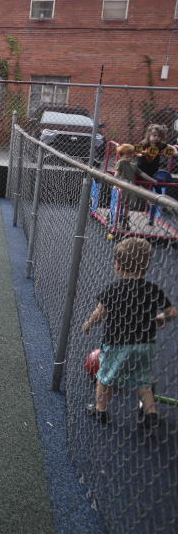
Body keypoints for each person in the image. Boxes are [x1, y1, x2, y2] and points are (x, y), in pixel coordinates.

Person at [83, 237, 176, 428]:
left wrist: (89, 323)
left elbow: (100, 312)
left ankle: (100, 410)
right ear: (147, 265)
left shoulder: (113, 289)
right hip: (144, 345)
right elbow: (172, 312)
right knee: (143, 381)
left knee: (104, 378)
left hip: (117, 344)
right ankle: (150, 414)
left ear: (117, 263)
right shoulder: (152, 289)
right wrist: (160, 319)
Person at [113, 143, 155, 228]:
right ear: (121, 156)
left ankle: (125, 221)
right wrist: (118, 182)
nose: (129, 158)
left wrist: (152, 180)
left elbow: (142, 174)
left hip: (131, 187)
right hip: (122, 186)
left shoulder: (133, 166)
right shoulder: (121, 162)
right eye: (126, 156)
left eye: (130, 156)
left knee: (128, 205)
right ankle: (117, 219)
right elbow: (116, 174)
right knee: (120, 203)